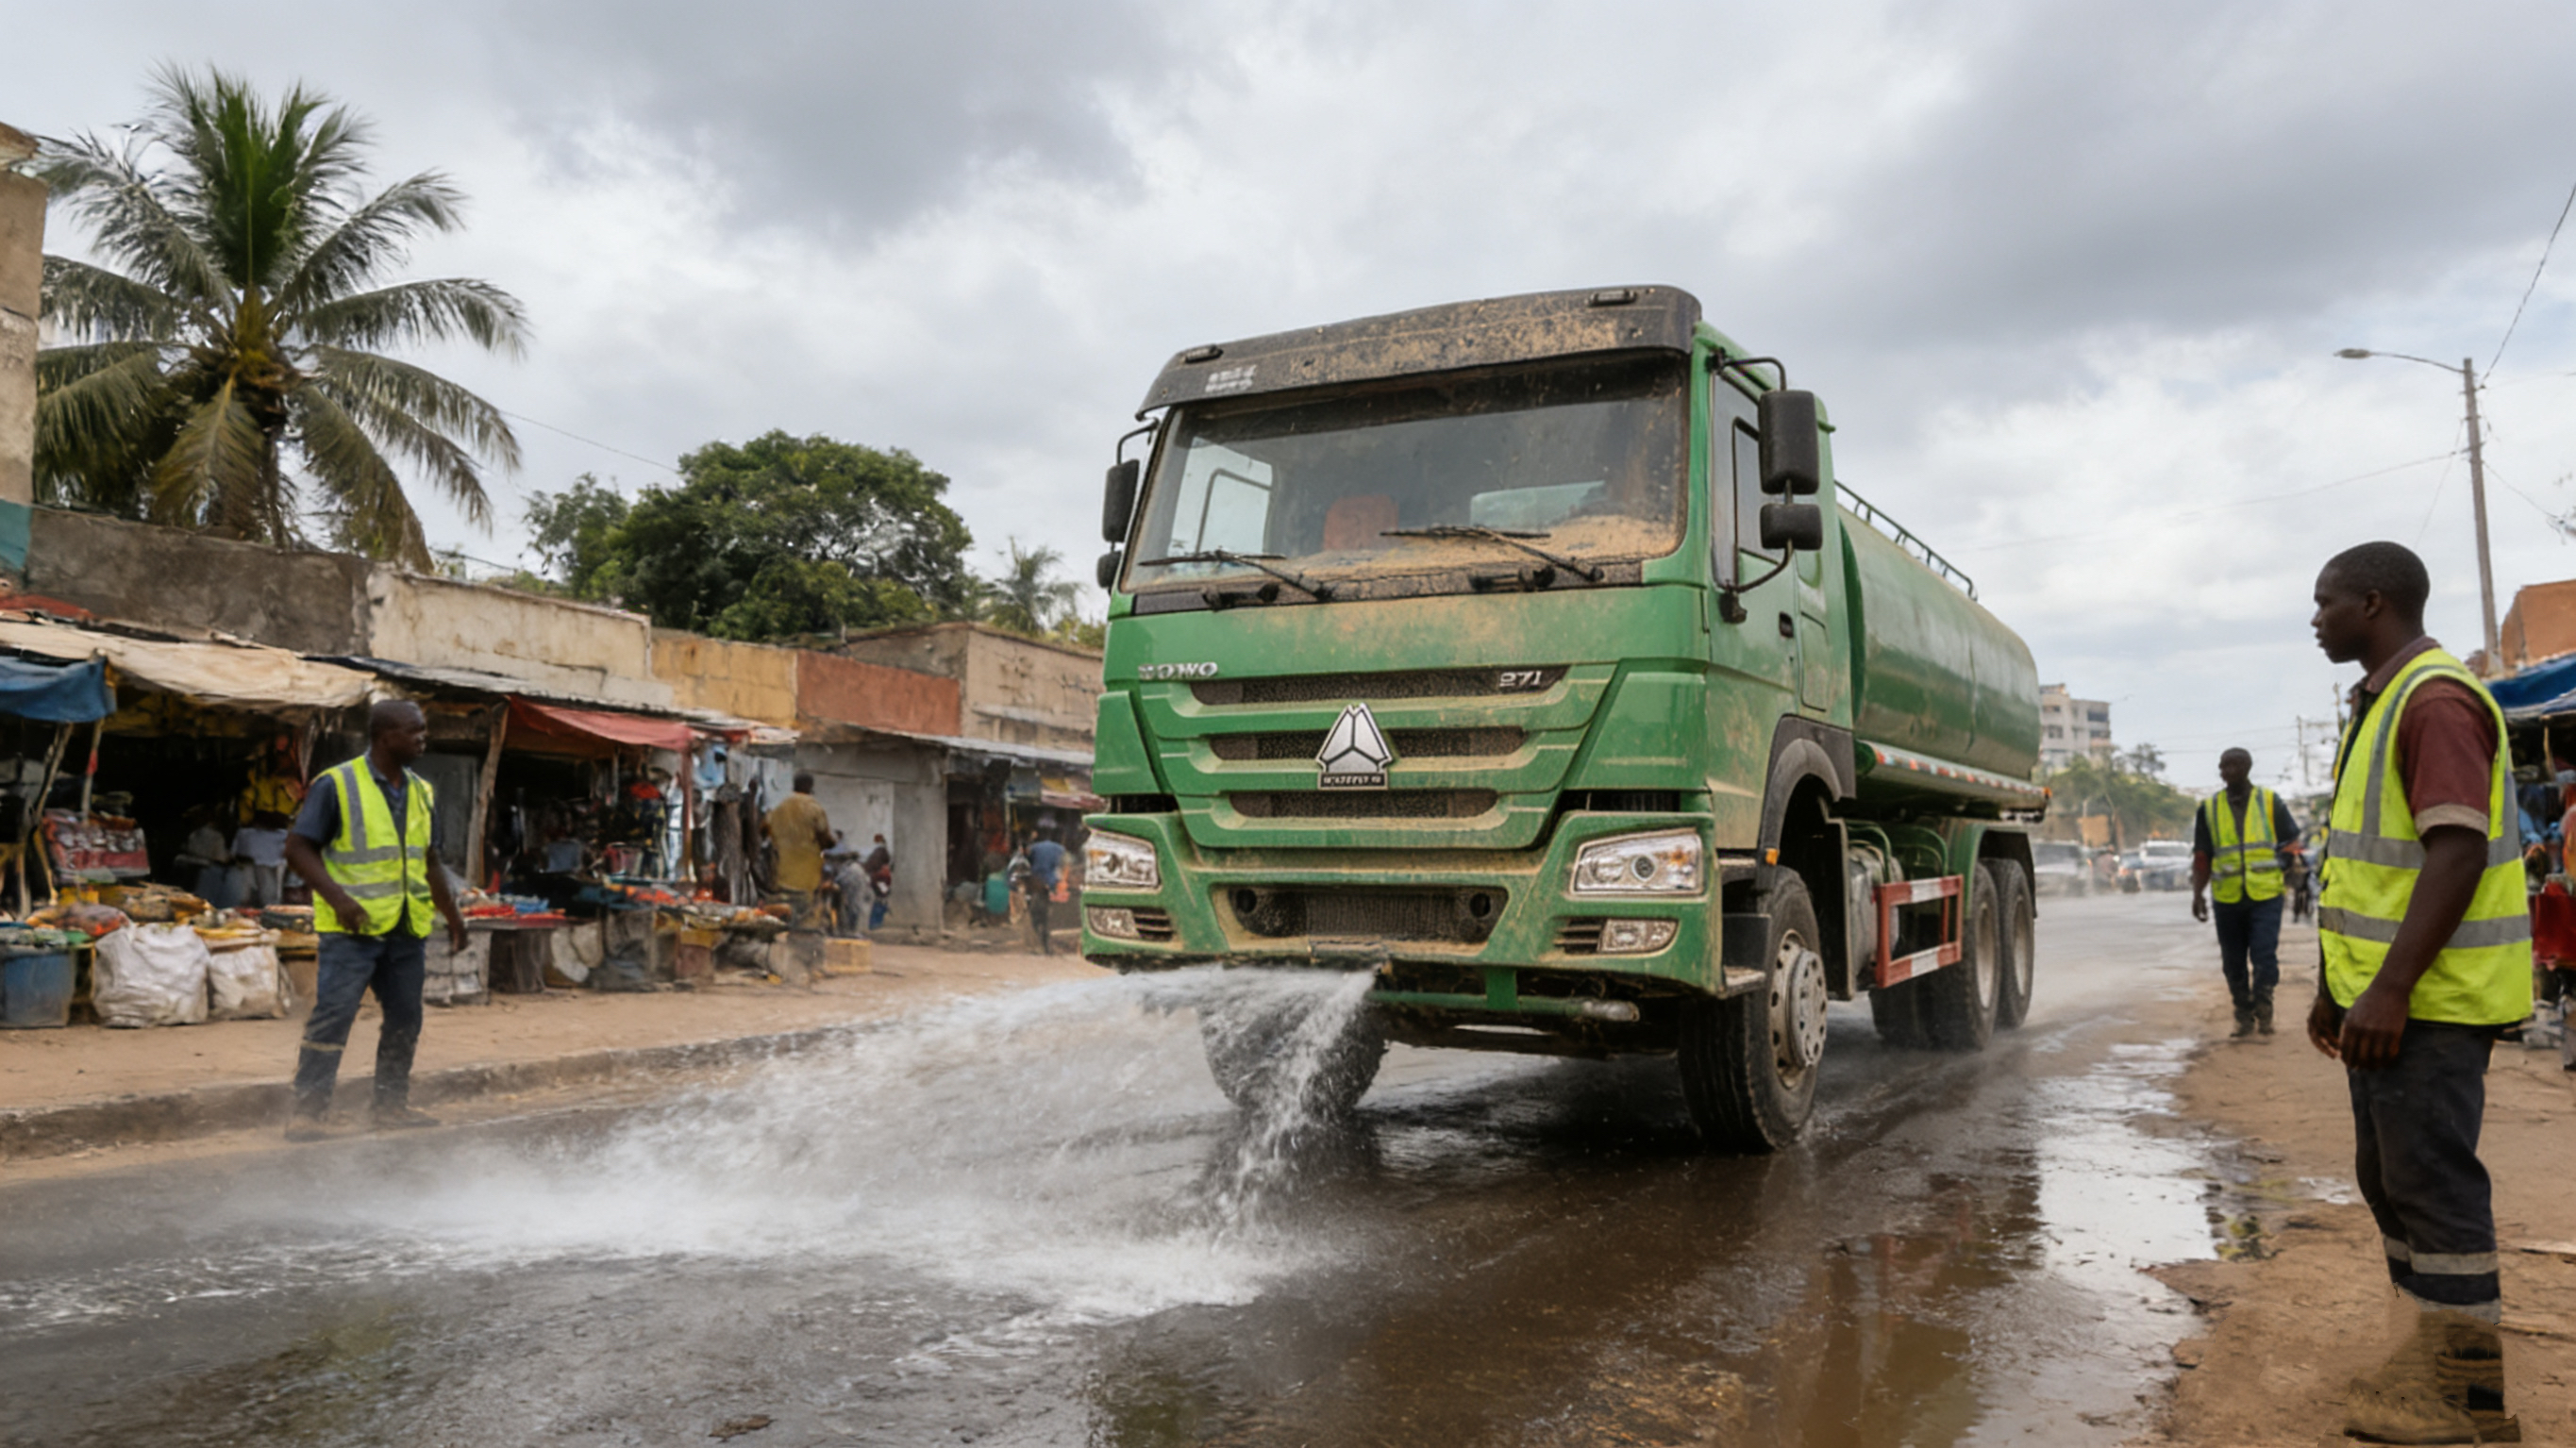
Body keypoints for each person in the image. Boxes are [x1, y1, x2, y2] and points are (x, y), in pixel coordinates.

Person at [2306, 541, 2532, 1443]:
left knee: (2434, 1190)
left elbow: (2457, 848)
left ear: (2372, 603)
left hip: (2432, 1003)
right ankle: (2428, 1366)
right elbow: (2372, 871)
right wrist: (2336, 988)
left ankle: (2467, 1403)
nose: (2313, 619)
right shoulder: (2383, 700)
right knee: (2392, 1183)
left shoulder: (2434, 699)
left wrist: (2391, 988)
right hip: (2391, 1004)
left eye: (2324, 603)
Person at [280, 700, 471, 1140]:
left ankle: (390, 1105)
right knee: (334, 1015)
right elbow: (297, 849)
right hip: (354, 929)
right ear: (385, 736)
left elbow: (430, 860)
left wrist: (453, 916)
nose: (424, 739)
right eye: (415, 732)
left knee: (406, 1016)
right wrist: (338, 899)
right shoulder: (337, 785)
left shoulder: (422, 791)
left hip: (406, 927)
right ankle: (308, 1112)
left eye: (423, 730)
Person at [2189, 747, 2300, 1037]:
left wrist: (2282, 864)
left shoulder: (2269, 801)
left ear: (2247, 767)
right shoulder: (2209, 809)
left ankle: (2264, 1008)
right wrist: (2197, 894)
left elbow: (2291, 840)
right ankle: (2243, 1013)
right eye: (2223, 766)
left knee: (2264, 956)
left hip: (2266, 896)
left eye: (2233, 765)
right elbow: (2202, 855)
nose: (2226, 771)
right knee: (2233, 961)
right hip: (2227, 897)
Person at [762, 773, 834, 933]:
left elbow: (765, 831)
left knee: (780, 914)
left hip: (781, 872)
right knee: (808, 917)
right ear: (809, 787)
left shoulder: (780, 807)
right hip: (806, 876)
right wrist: (830, 843)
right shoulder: (814, 808)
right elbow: (825, 838)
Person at [232, 811, 291, 907]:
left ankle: (270, 908)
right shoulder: (248, 834)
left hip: (267, 863)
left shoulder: (247, 834)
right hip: (260, 863)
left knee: (268, 892)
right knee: (267, 891)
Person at [1025, 820, 1066, 955]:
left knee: (1036, 915)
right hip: (1053, 884)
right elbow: (1064, 866)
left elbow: (1028, 864)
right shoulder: (1060, 849)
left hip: (1038, 884)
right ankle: (1046, 944)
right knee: (1047, 915)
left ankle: (1042, 943)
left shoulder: (1034, 848)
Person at [863, 833, 893, 932]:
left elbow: (872, 865)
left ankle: (875, 923)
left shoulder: (879, 852)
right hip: (880, 880)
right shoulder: (882, 851)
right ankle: (876, 923)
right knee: (881, 899)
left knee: (880, 900)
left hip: (880, 880)